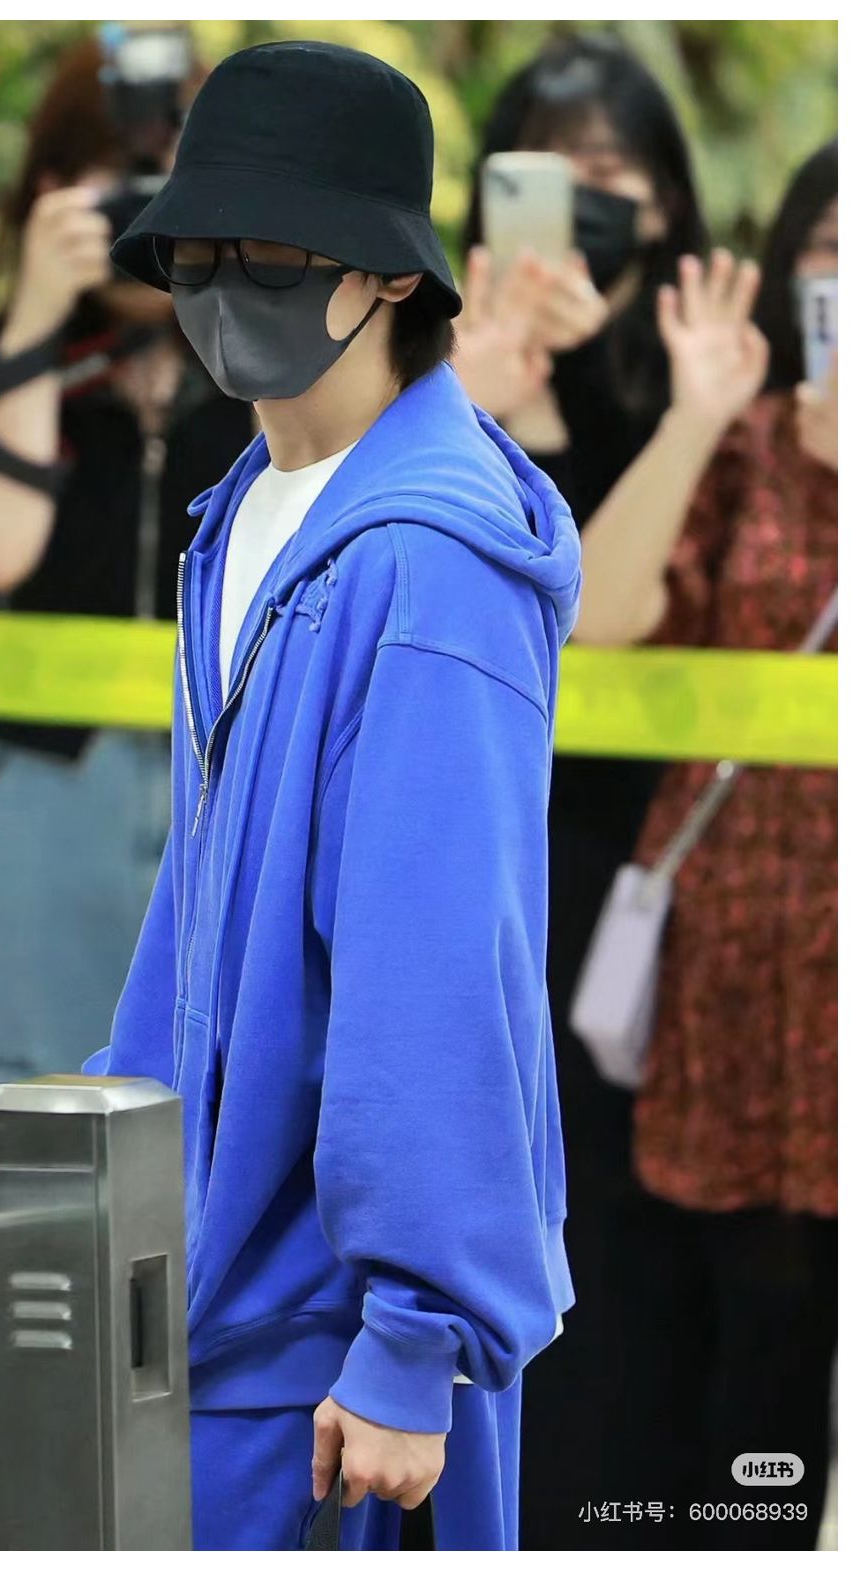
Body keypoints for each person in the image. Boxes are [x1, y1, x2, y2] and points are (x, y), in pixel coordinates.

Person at [83, 39, 580, 1552]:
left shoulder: (425, 563)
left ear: (392, 275)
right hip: (214, 1306)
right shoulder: (243, 515)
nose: (228, 287)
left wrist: (414, 1333)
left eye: (279, 257)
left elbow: (440, 966)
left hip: (338, 1368)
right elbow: (203, 910)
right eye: (197, 253)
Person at [452, 36, 735, 1545]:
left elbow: (616, 602)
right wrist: (498, 385)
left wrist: (611, 391)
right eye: (552, 173)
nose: (586, 205)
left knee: (625, 1233)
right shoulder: (434, 369)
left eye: (615, 175)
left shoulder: (709, 376)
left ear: (672, 202)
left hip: (655, 875)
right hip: (477, 861)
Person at [576, 140, 837, 1550]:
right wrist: (694, 419)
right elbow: (602, 614)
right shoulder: (743, 441)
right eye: (830, 247)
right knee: (747, 1331)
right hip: (736, 958)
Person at [0, 35, 254, 1097]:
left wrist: (242, 297)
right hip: (43, 796)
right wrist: (35, 322)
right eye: (116, 185)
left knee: (227, 1114)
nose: (146, 218)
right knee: (35, 1119)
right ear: (50, 193)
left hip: (237, 789)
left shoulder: (268, 365)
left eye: (174, 183)